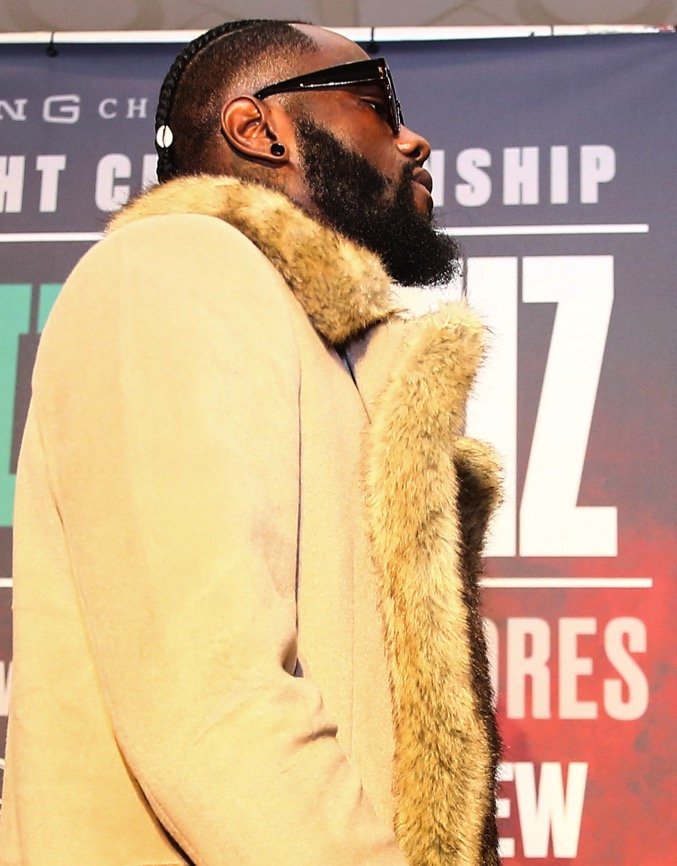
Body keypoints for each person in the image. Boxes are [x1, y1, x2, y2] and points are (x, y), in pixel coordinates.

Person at [0, 20, 502, 866]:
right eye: (376, 100)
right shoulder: (176, 266)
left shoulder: (332, 355)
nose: (414, 139)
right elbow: (210, 697)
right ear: (257, 127)